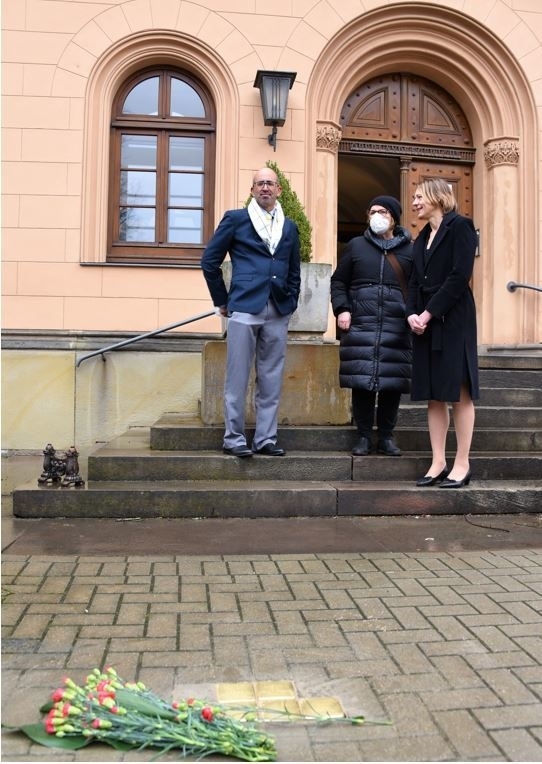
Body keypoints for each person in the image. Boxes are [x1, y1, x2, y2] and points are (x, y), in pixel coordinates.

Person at [201, 167, 301, 457]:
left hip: (278, 308)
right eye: (260, 184)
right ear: (252, 190)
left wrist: (291, 300)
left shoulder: (290, 226)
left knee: (271, 377)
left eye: (270, 183)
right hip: (244, 306)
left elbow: (293, 269)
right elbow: (209, 262)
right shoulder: (236, 219)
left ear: (279, 190)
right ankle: (233, 439)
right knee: (237, 376)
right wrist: (222, 300)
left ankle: (265, 439)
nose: (265, 188)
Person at [407, 178, 479, 488]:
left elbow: (459, 276)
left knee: (458, 393)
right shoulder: (421, 236)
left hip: (453, 319)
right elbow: (412, 280)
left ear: (437, 197)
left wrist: (428, 312)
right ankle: (438, 462)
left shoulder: (461, 227)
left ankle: (462, 463)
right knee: (434, 395)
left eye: (419, 196)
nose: (414, 203)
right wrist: (412, 313)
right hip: (425, 322)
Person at [331, 195, 413, 456]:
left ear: (394, 217)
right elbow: (338, 282)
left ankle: (387, 437)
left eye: (383, 211)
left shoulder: (411, 250)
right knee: (362, 382)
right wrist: (342, 309)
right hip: (361, 324)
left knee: (392, 384)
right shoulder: (356, 246)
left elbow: (418, 288)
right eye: (373, 211)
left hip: (397, 325)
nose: (377, 215)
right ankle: (364, 437)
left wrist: (415, 315)